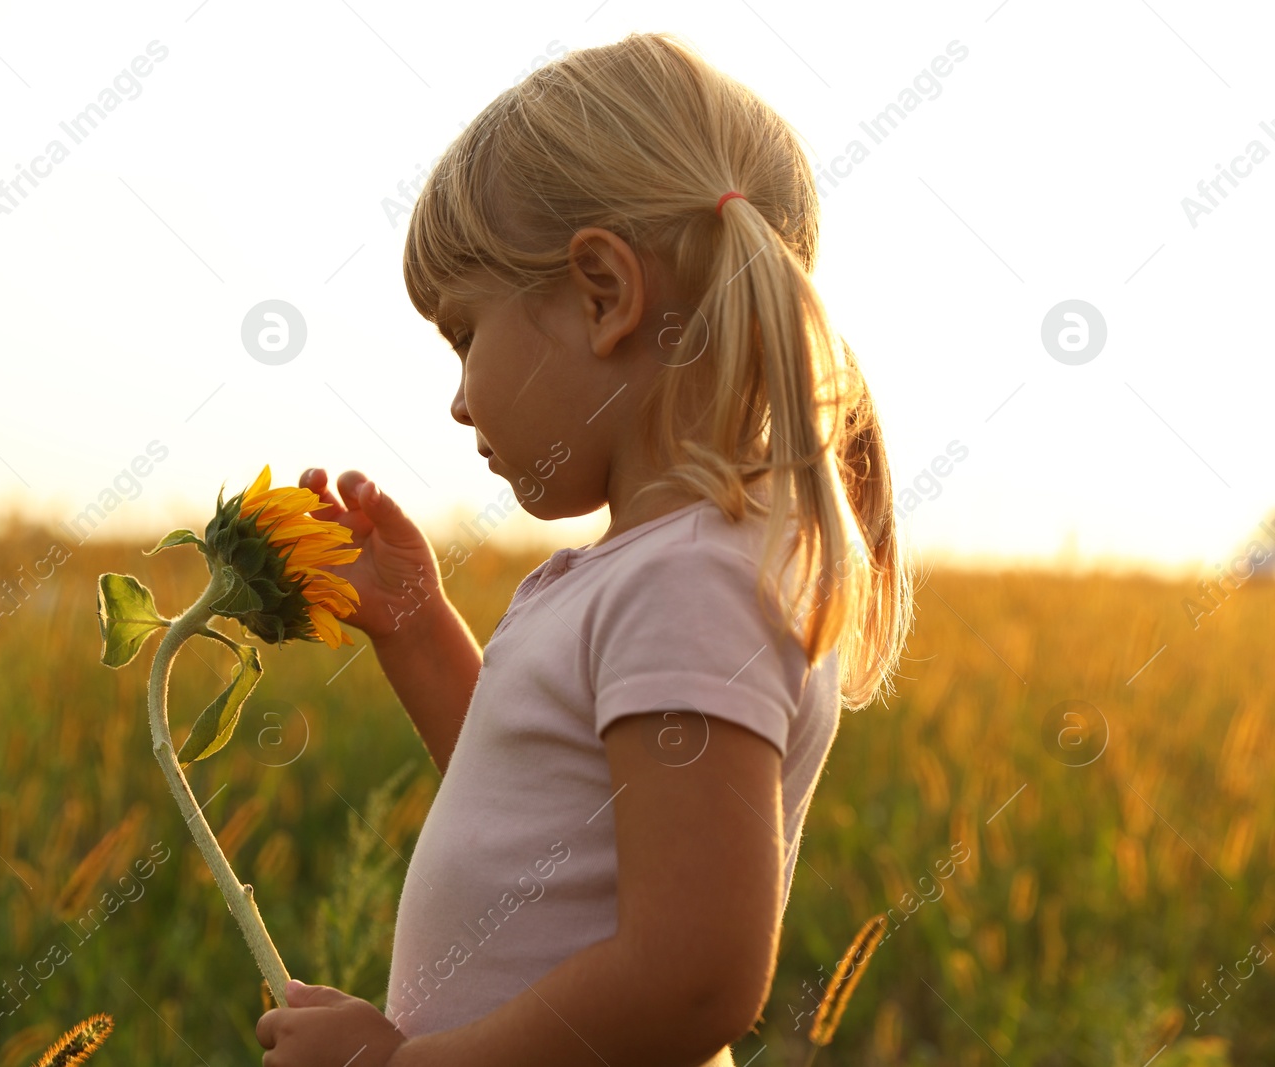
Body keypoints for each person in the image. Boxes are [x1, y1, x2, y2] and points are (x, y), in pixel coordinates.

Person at [256, 29, 914, 1067]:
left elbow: (693, 973)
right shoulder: (654, 570)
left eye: (466, 333)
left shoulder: (687, 583)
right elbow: (548, 815)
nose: (460, 397)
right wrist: (420, 631)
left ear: (603, 293)